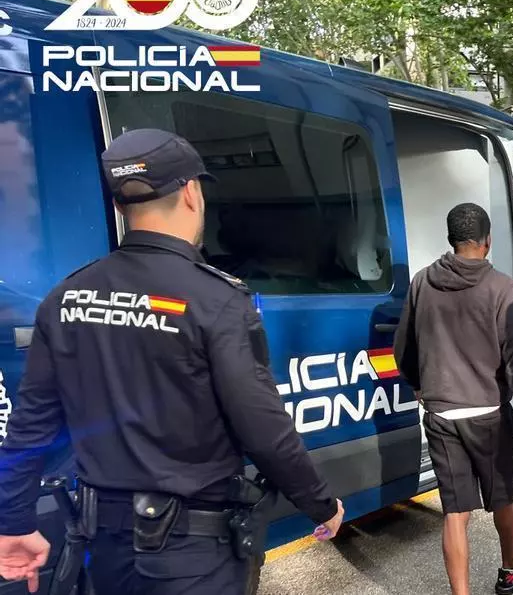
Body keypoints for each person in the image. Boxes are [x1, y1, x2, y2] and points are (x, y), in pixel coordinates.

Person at [0, 129, 343, 594]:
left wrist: (13, 521)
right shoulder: (216, 300)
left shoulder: (65, 298)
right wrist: (321, 503)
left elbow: (30, 426)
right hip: (192, 555)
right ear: (191, 192)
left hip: (101, 552)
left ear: (120, 205)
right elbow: (263, 427)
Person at [394, 202, 513, 595]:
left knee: (455, 511)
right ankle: (511, 569)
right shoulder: (503, 289)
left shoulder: (422, 282)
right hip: (488, 417)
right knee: (502, 497)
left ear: (452, 239)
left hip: (440, 414)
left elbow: (404, 347)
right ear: (487, 241)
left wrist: (419, 384)